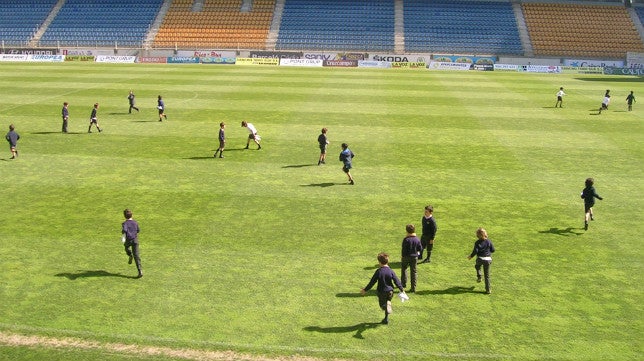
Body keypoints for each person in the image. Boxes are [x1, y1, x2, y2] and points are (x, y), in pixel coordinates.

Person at [360, 252, 405, 325]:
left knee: (382, 306)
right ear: (388, 261)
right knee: (388, 303)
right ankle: (386, 319)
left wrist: (365, 290)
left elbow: (372, 282)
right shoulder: (391, 271)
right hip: (390, 291)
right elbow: (396, 281)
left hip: (382, 292)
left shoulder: (378, 271)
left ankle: (386, 306)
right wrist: (402, 290)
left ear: (379, 262)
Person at [467, 227, 495, 294]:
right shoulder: (489, 241)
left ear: (478, 235)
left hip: (480, 258)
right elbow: (493, 250)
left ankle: (479, 276)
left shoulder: (477, 242)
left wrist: (471, 256)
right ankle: (488, 290)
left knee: (477, 266)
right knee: (487, 275)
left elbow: (475, 251)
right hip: (488, 260)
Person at [400, 224, 422, 293]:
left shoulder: (406, 239)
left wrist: (402, 256)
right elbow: (420, 248)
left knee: (404, 269)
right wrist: (417, 253)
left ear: (407, 231)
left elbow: (403, 250)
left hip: (406, 257)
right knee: (413, 272)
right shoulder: (417, 239)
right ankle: (413, 287)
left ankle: (403, 283)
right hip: (414, 257)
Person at [122, 209, 142, 278]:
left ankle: (130, 255)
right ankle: (140, 271)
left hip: (128, 240)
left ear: (124, 216)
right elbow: (138, 230)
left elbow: (124, 230)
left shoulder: (125, 223)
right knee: (137, 255)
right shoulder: (135, 222)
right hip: (135, 240)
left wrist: (123, 234)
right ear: (132, 215)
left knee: (126, 247)